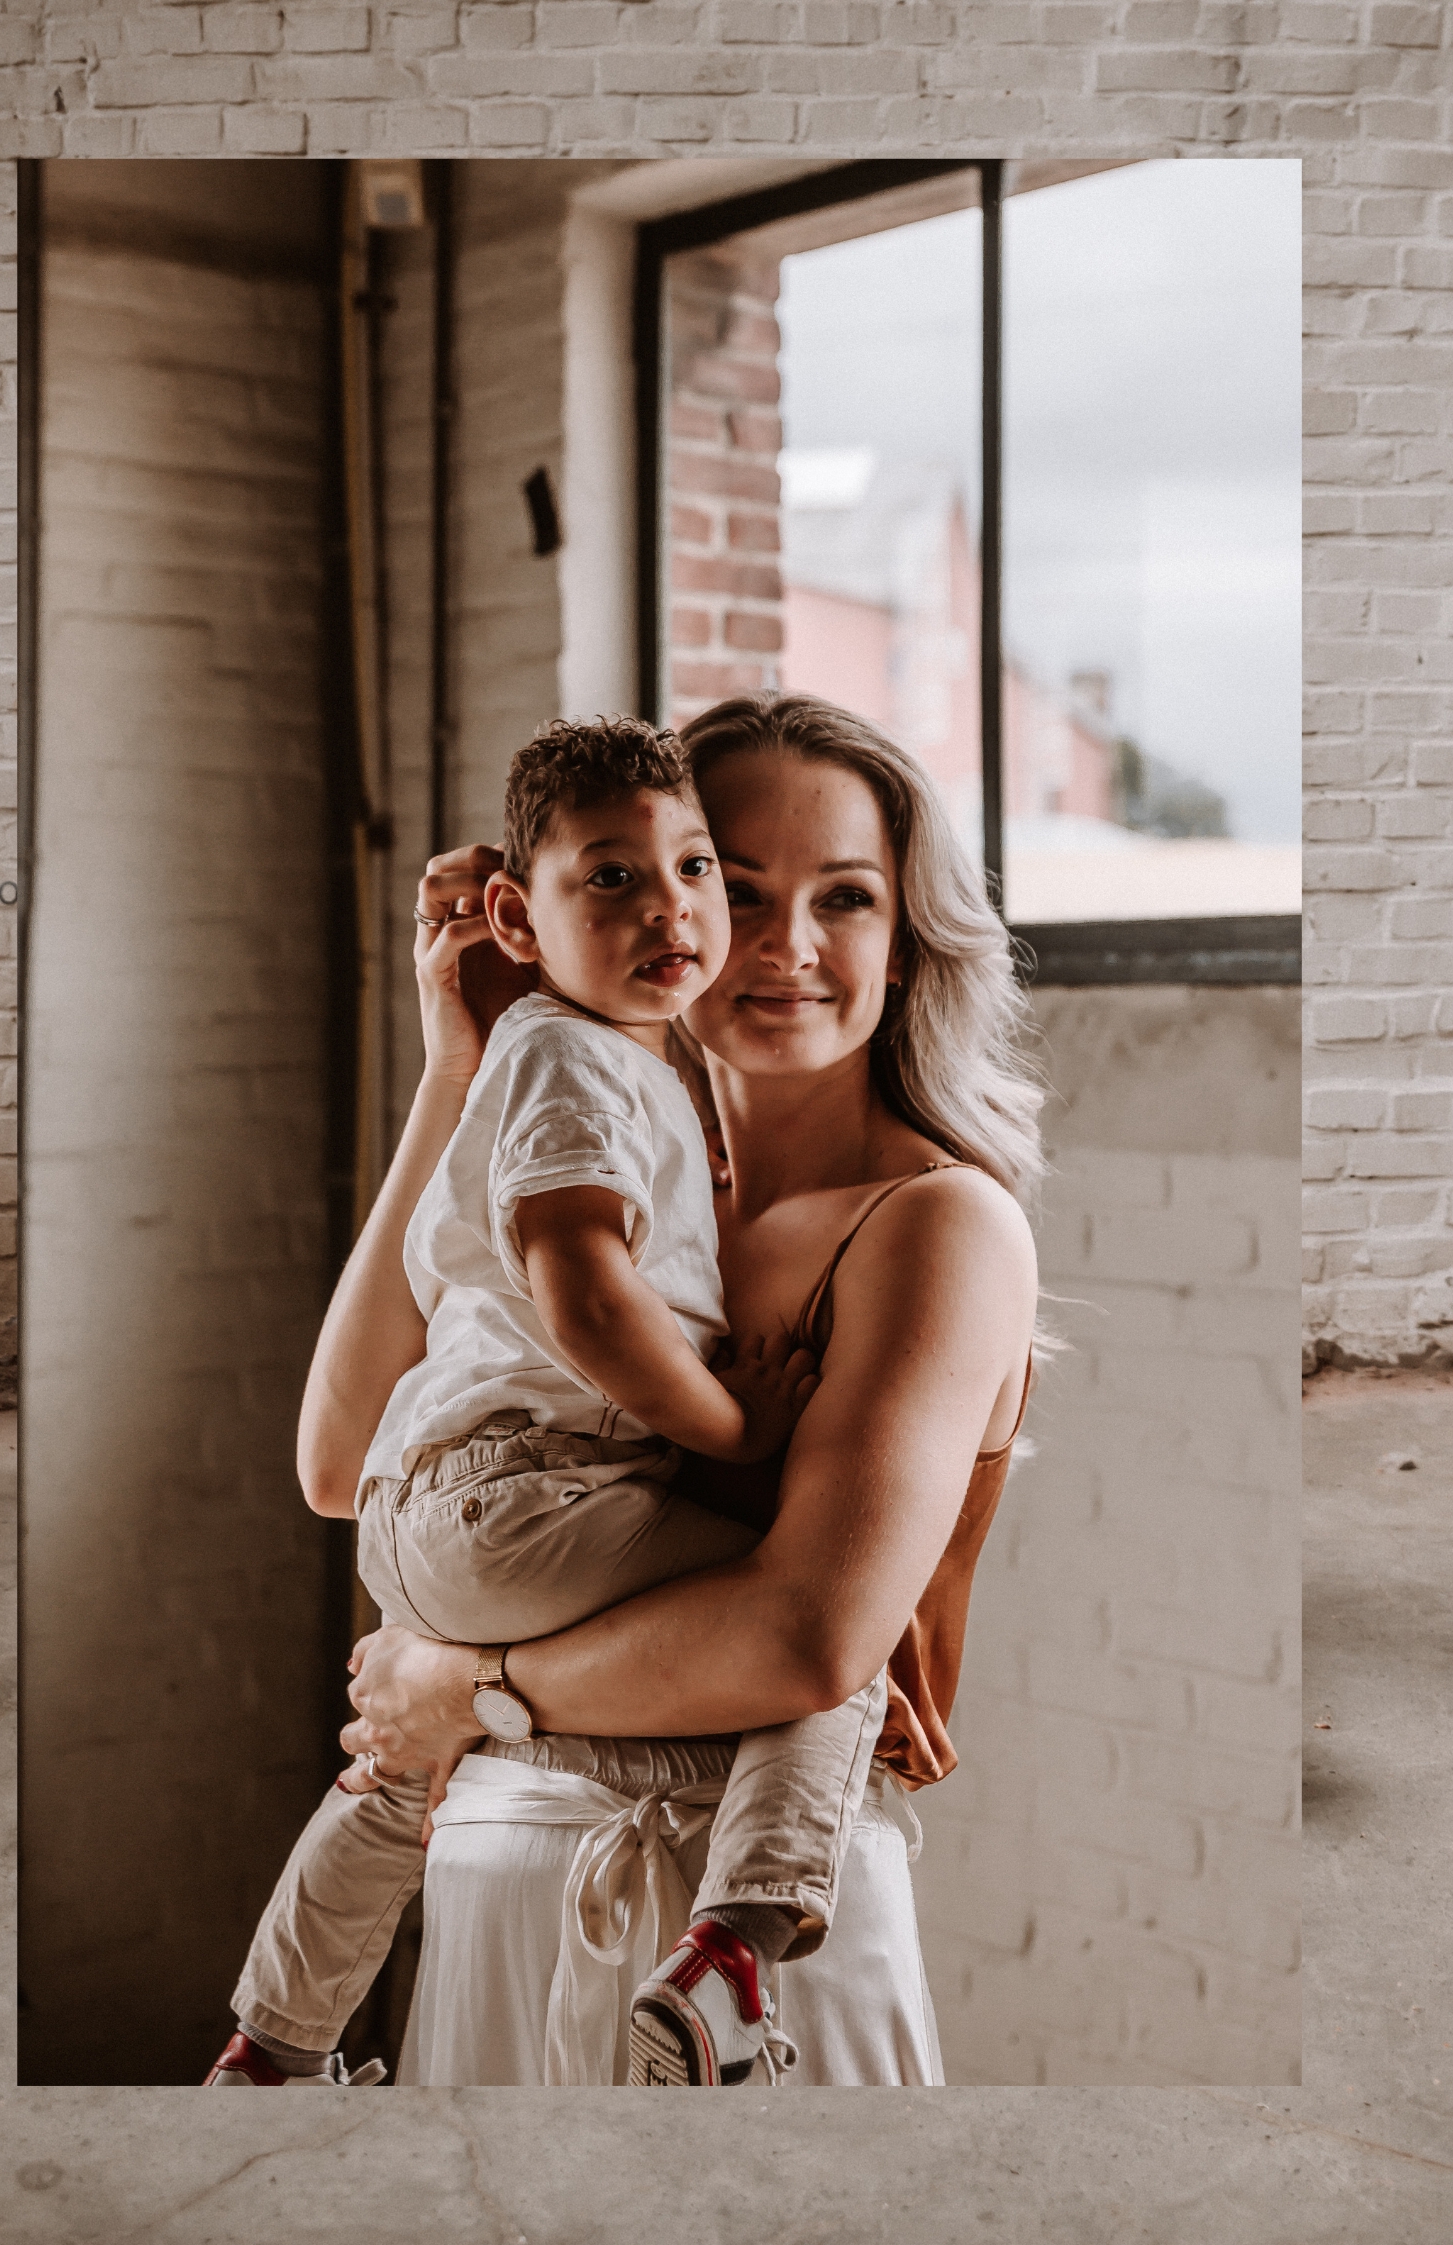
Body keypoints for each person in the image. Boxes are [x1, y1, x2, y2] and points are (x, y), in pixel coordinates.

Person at [332, 693, 1042, 2087]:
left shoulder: (936, 1223)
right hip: (502, 1873)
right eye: (745, 883)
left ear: (905, 944)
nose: (785, 944)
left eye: (847, 896)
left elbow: (803, 1639)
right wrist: (462, 1067)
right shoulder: (614, 1198)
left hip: (755, 1926)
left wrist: (467, 1685)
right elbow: (342, 1455)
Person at [205, 716, 900, 2092]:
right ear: (519, 914)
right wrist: (730, 1420)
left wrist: (463, 1686)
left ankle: (274, 2039)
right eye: (615, 879)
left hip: (438, 1518)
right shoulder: (572, 1062)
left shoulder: (608, 1071)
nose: (680, 912)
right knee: (839, 1643)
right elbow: (581, 1296)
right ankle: (735, 1947)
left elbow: (357, 1476)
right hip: (526, 1490)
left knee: (394, 1772)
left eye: (695, 870)